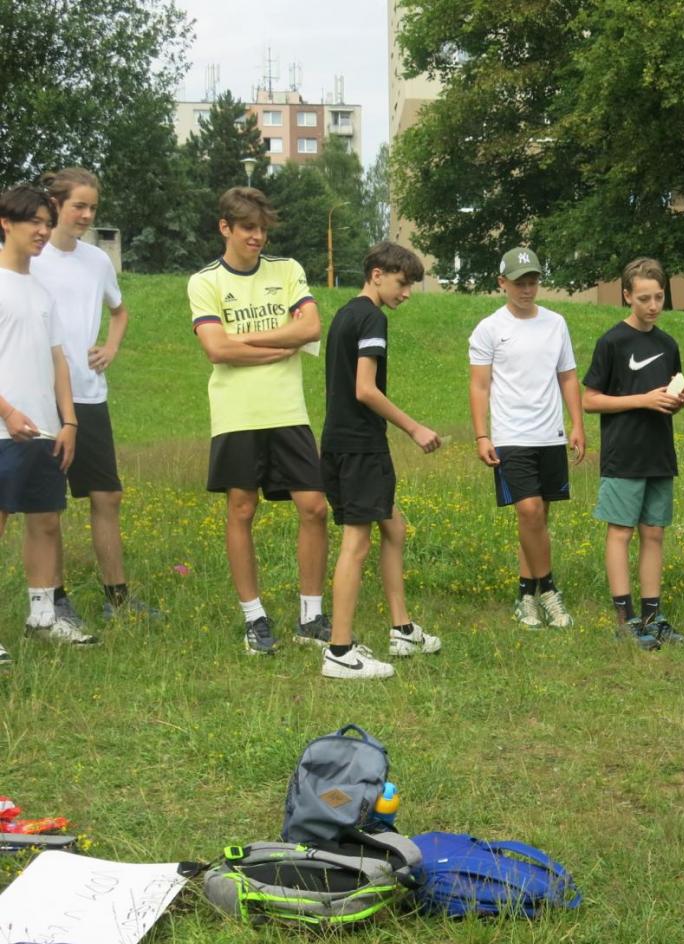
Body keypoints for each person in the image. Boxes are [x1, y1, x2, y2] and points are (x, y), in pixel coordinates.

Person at [187, 187, 330, 655]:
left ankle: (311, 616)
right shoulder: (204, 281)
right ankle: (255, 618)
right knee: (242, 510)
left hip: (288, 411)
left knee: (314, 507)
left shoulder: (287, 271)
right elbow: (216, 349)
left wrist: (245, 341)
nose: (257, 237)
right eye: (248, 228)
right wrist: (278, 345)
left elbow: (309, 328)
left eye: (263, 229)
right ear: (225, 227)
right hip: (237, 414)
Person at [31, 168, 156, 624]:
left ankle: (117, 598)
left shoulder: (97, 262)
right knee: (46, 505)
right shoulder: (29, 258)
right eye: (78, 206)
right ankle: (55, 600)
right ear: (55, 204)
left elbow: (119, 311)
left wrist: (111, 346)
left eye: (92, 208)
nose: (86, 215)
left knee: (107, 496)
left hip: (88, 396)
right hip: (40, 398)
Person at [319, 242, 443, 680]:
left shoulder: (345, 314)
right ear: (376, 274)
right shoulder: (372, 317)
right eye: (402, 282)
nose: (406, 292)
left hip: (339, 442)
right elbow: (365, 389)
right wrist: (415, 428)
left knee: (394, 525)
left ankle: (402, 630)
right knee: (357, 544)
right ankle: (338, 651)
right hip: (360, 447)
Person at [0, 184, 95, 663]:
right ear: (5, 223)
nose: (41, 230)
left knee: (46, 523)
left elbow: (59, 361)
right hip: (3, 431)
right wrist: (7, 411)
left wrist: (70, 422)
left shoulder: (40, 289)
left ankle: (42, 615)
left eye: (45, 221)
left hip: (43, 431)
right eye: (32, 221)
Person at [469, 246, 585, 629]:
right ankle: (549, 591)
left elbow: (567, 376)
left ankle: (525, 595)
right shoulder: (489, 329)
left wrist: (577, 424)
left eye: (533, 281)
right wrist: (482, 434)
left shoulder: (556, 324)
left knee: (537, 519)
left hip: (549, 435)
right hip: (510, 435)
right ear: (503, 283)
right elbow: (479, 385)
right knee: (529, 512)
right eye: (519, 282)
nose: (527, 288)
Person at [582, 257, 684, 650]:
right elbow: (590, 401)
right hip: (623, 454)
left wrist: (675, 401)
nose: (652, 305)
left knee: (654, 533)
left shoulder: (667, 345)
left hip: (658, 453)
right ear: (627, 296)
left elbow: (662, 398)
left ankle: (653, 615)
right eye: (644, 298)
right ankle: (624, 618)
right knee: (621, 532)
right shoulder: (612, 342)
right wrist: (642, 400)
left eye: (659, 297)